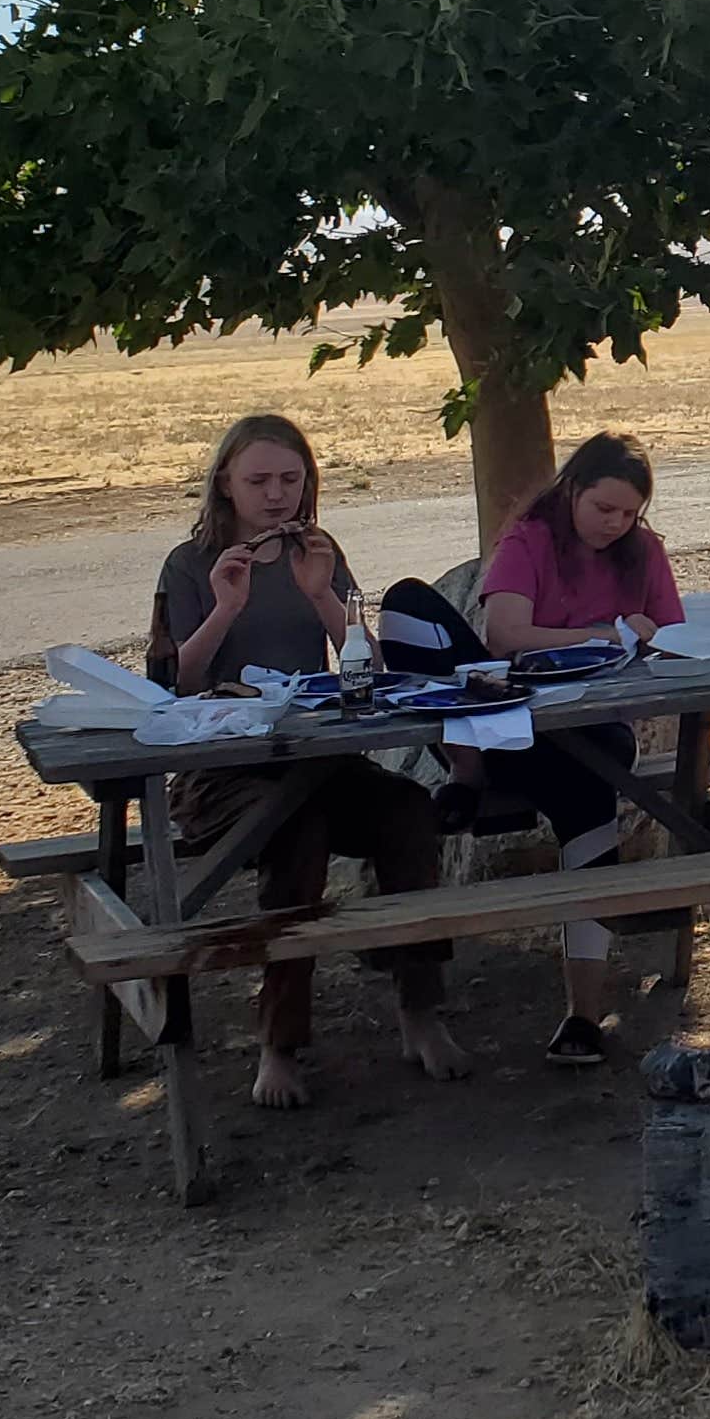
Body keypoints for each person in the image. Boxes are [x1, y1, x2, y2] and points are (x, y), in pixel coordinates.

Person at [149, 413, 469, 1106]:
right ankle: (279, 1043)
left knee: (411, 812)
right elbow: (172, 686)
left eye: (290, 480)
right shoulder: (190, 564)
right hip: (223, 772)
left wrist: (323, 594)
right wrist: (226, 607)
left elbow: (370, 670)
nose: (275, 495)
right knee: (297, 835)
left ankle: (420, 1012)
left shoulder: (319, 551)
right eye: (258, 480)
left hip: (319, 757)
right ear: (226, 486)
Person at [475, 430, 685, 1066]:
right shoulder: (529, 539)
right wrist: (601, 635)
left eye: (629, 514)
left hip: (603, 731)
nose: (615, 525)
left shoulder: (641, 550)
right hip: (523, 730)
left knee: (593, 808)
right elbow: (504, 634)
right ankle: (582, 1013)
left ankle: (583, 1016)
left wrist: (651, 632)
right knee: (591, 807)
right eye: (603, 510)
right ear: (571, 490)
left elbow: (678, 634)